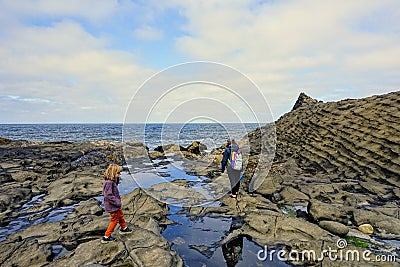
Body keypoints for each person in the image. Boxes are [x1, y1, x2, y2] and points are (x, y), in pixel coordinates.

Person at [101, 164, 132, 243]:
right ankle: (106, 236)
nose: (119, 175)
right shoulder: (109, 183)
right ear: (112, 173)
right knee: (114, 220)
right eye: (118, 173)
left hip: (114, 205)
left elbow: (115, 185)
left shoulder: (111, 181)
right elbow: (108, 195)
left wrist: (116, 178)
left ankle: (124, 228)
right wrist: (117, 202)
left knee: (120, 215)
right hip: (112, 205)